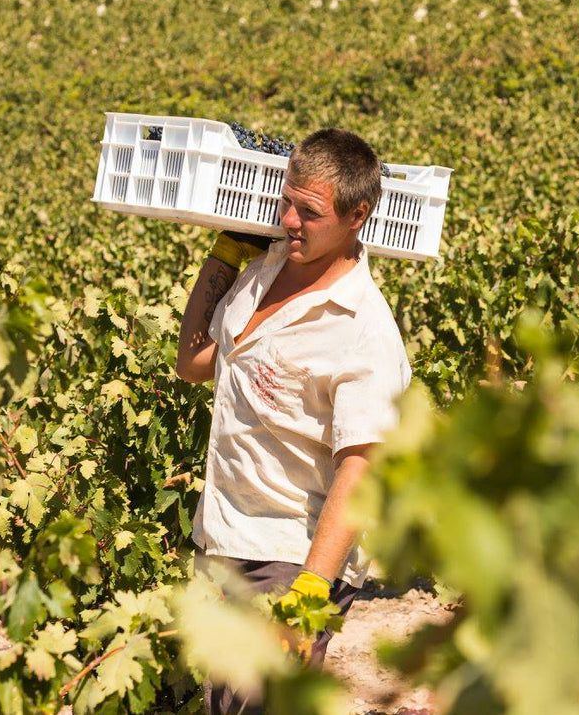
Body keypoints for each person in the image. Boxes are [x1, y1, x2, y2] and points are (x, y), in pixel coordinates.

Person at [175, 128, 411, 714]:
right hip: (226, 534)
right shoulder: (265, 270)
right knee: (221, 705)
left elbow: (363, 469)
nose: (288, 220)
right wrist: (223, 255)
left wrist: (311, 586)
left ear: (357, 215)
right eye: (285, 201)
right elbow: (195, 363)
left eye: (309, 211)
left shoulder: (363, 330)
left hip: (292, 554)